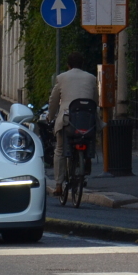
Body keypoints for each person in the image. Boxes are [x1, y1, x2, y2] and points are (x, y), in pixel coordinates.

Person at [47, 52, 99, 195]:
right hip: (87, 120)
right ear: (82, 64)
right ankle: (87, 158)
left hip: (67, 120)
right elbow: (96, 101)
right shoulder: (91, 78)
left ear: (68, 65)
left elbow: (53, 100)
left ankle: (58, 185)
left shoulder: (62, 78)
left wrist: (50, 116)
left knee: (60, 150)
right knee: (88, 137)